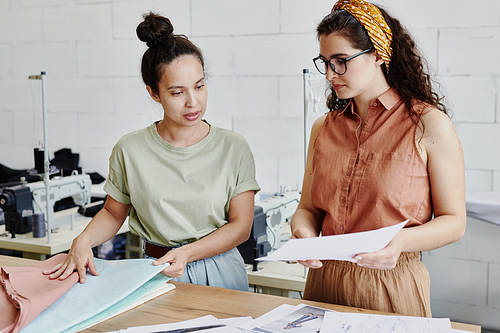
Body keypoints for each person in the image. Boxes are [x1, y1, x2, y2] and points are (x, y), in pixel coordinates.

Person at [44, 12, 260, 291]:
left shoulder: (233, 147)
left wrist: (187, 253)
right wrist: (83, 240)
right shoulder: (130, 149)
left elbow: (241, 226)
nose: (193, 102)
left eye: (200, 86)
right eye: (177, 93)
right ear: (154, 93)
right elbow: (112, 213)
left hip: (221, 272)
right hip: (155, 273)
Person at [290, 0, 465, 317]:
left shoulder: (428, 124)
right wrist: (302, 233)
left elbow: (454, 222)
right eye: (325, 62)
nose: (330, 74)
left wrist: (398, 242)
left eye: (341, 61)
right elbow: (307, 210)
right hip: (322, 284)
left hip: (391, 283)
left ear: (378, 55)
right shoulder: (323, 128)